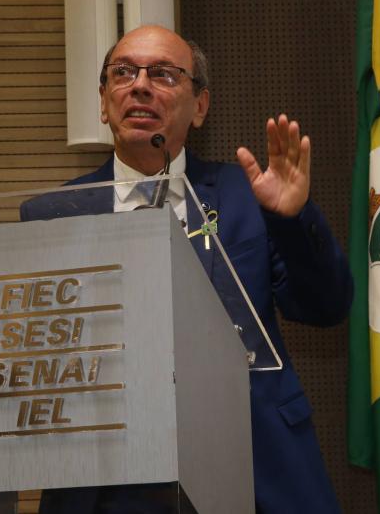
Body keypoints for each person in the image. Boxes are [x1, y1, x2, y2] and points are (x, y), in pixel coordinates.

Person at [21, 25, 353, 514]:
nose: (139, 85)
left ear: (200, 106)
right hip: (109, 485)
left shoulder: (248, 196)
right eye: (123, 72)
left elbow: (326, 306)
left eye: (163, 74)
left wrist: (291, 219)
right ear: (103, 101)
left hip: (255, 470)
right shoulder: (52, 215)